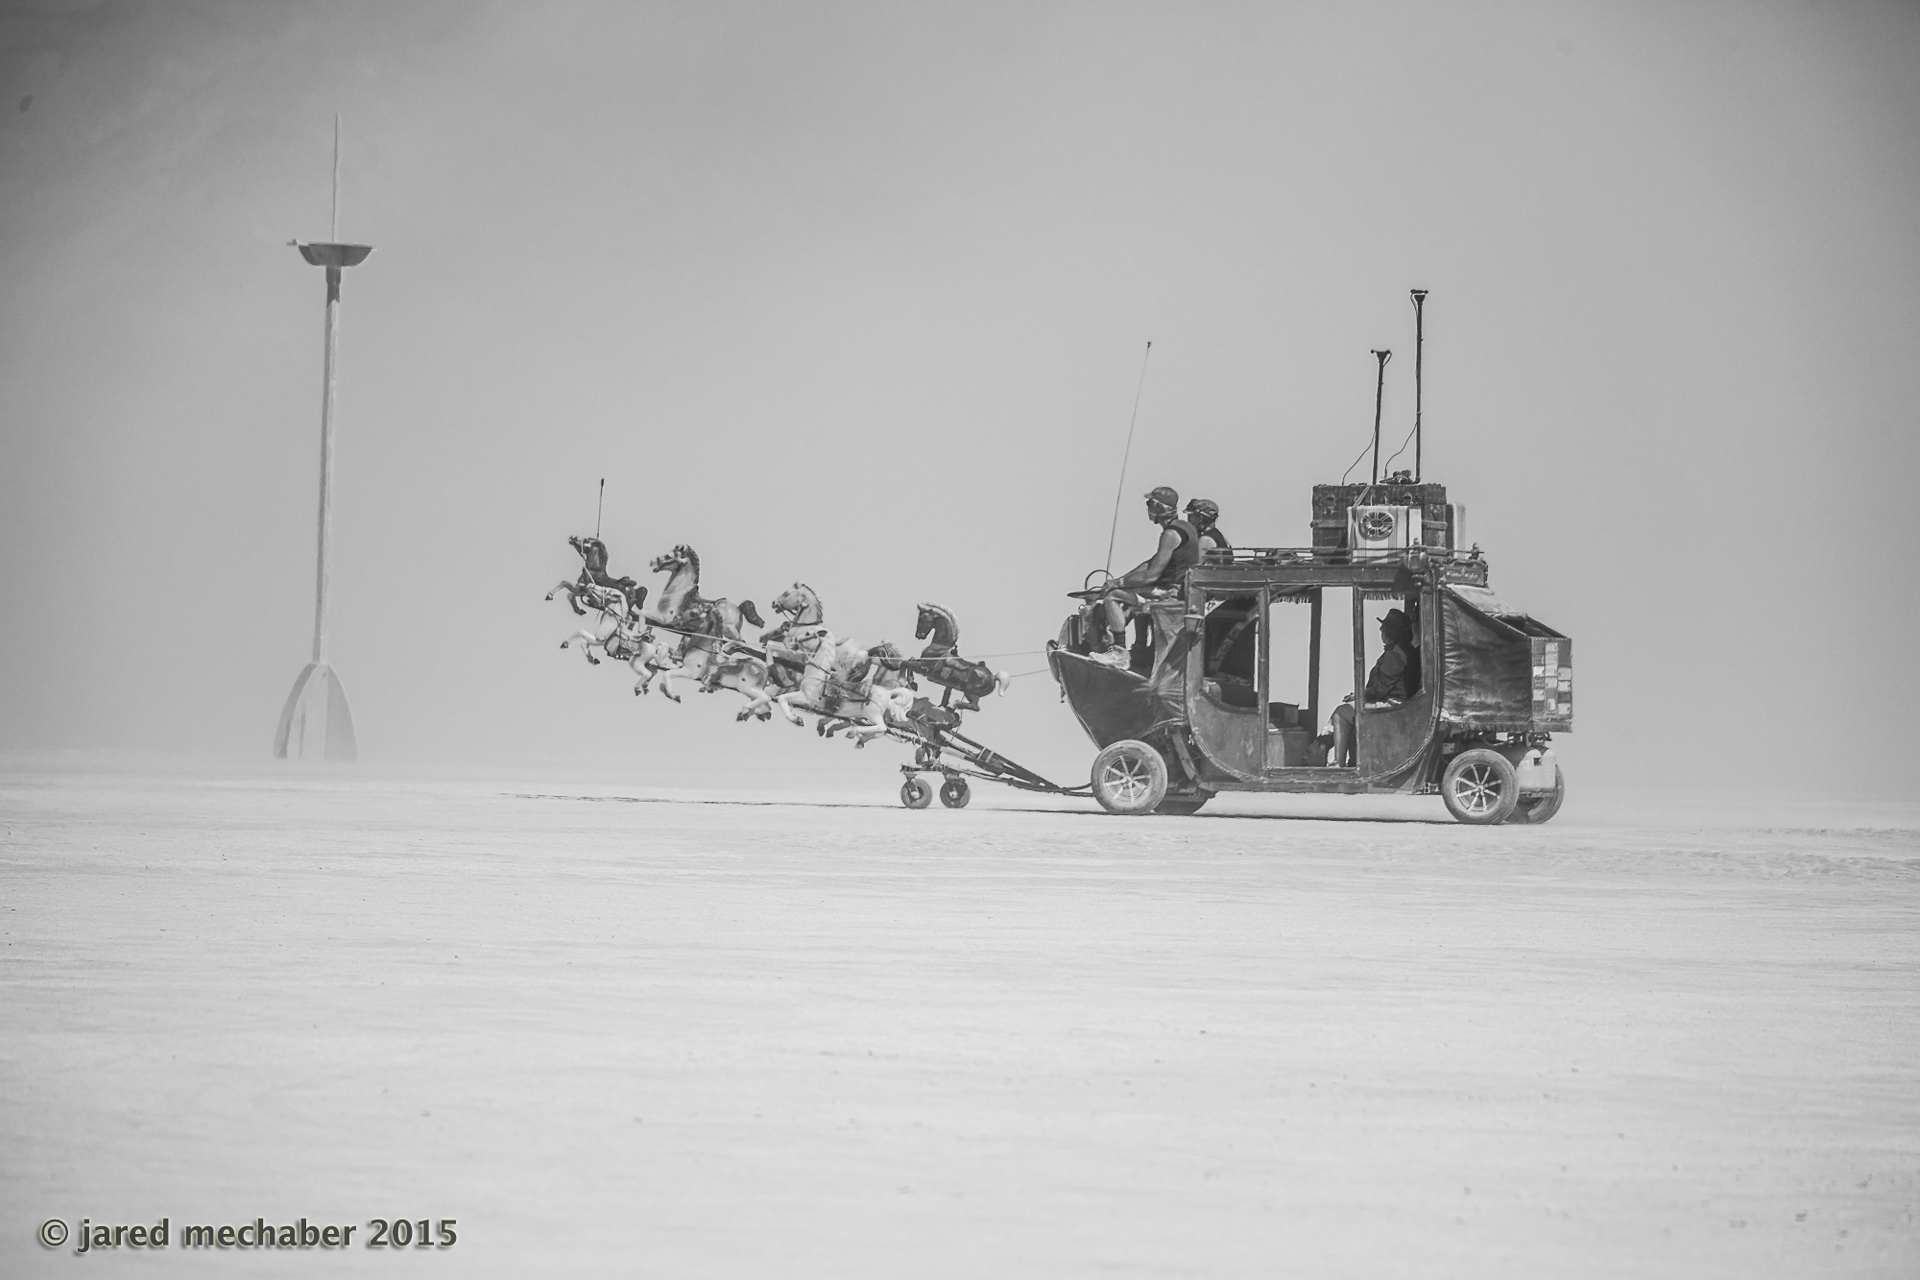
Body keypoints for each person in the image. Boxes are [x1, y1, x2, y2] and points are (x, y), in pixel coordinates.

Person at [1088, 486, 1199, 668]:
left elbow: (1151, 574)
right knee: (1119, 591)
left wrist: (1118, 584)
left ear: (1158, 508)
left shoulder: (1170, 534)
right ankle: (1130, 645)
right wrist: (1120, 581)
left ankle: (1119, 652)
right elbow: (1149, 563)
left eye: (1149, 504)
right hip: (1175, 588)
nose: (1147, 509)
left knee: (1111, 596)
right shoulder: (1185, 527)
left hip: (1170, 592)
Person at [1327, 608, 1415, 766]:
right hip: (1398, 703)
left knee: (1341, 714)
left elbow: (1380, 690)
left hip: (1393, 706)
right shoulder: (1403, 651)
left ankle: (1338, 765)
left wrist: (1359, 695)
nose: (1380, 630)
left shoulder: (1394, 655)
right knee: (1348, 710)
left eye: (1383, 628)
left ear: (1390, 632)